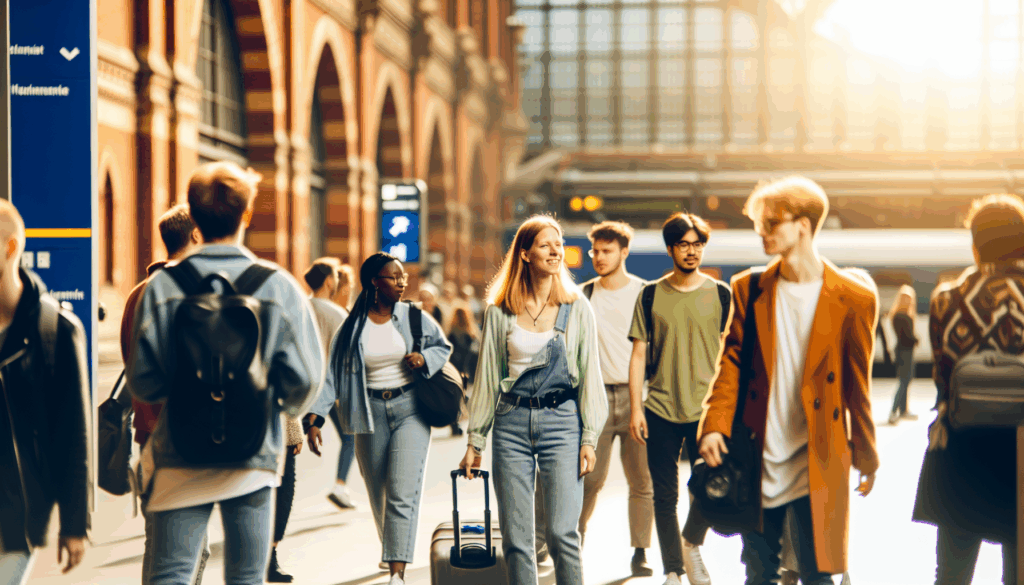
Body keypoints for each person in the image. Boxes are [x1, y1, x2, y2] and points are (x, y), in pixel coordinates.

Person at [128, 161, 324, 585]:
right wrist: (271, 404)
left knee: (172, 573)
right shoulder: (276, 285)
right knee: (246, 577)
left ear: (193, 219)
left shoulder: (163, 287)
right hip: (252, 456)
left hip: (178, 452)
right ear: (247, 215)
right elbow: (306, 380)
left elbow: (143, 381)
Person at [697, 175, 879, 585]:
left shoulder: (854, 297)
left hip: (819, 453)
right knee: (758, 573)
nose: (762, 232)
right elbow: (731, 364)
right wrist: (715, 426)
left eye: (772, 222)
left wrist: (866, 454)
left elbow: (856, 386)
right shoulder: (749, 287)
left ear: (804, 224)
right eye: (758, 223)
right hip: (757, 452)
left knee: (818, 574)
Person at [459, 215, 608, 585]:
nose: (556, 250)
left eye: (558, 244)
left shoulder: (577, 308)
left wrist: (589, 437)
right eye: (546, 244)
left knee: (562, 534)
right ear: (525, 254)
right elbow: (488, 379)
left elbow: (591, 376)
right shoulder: (500, 311)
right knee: (517, 538)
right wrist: (475, 441)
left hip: (563, 422)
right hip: (510, 423)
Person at [304, 252, 452, 585]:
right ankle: (393, 549)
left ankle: (397, 573)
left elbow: (442, 347)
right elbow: (333, 374)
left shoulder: (414, 317)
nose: (402, 283)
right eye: (394, 277)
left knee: (403, 490)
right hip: (367, 413)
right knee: (378, 492)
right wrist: (316, 418)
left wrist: (423, 357)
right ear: (374, 282)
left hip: (410, 408)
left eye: (403, 278)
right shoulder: (352, 325)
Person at [912, 193, 1024, 584]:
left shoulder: (947, 299)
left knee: (952, 575)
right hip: (1022, 451)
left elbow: (943, 378)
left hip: (963, 448)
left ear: (975, 245)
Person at [540, 220, 654, 576]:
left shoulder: (643, 292)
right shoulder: (583, 295)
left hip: (639, 398)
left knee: (642, 481)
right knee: (589, 478)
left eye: (606, 251)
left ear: (624, 252)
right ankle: (574, 541)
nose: (599, 257)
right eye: (595, 251)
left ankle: (640, 552)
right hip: (595, 399)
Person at [627, 213, 730, 585]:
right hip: (660, 409)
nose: (692, 251)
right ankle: (673, 569)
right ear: (671, 249)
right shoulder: (651, 294)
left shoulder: (721, 294)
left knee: (707, 490)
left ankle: (691, 547)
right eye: (684, 244)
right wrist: (636, 407)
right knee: (664, 495)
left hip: (706, 412)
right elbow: (638, 354)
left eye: (698, 244)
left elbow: (729, 355)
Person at [119, 204, 210, 585]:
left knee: (170, 546)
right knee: (175, 554)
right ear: (194, 236)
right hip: (178, 440)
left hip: (151, 436)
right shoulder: (182, 294)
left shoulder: (138, 294)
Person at [0, 200, 90, 585]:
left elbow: (73, 434)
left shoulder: (55, 330)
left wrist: (74, 523)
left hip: (15, 517)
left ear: (9, 248)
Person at [322, 260, 359, 508]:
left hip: (314, 387)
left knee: (296, 437)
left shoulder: (317, 310)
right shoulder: (341, 316)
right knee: (350, 437)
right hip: (335, 389)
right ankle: (340, 485)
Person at [887, 284, 919, 425]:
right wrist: (916, 340)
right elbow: (907, 336)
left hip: (903, 350)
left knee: (906, 379)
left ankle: (903, 410)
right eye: (908, 299)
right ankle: (893, 411)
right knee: (904, 381)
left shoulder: (897, 315)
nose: (910, 302)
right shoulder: (902, 316)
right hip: (905, 350)